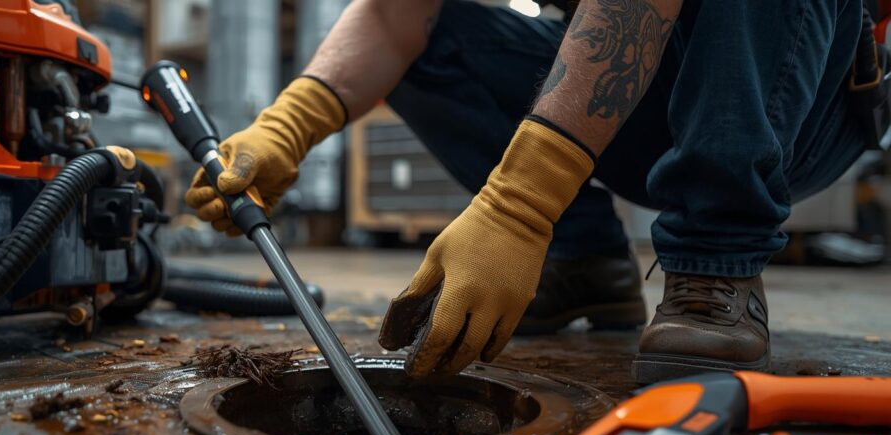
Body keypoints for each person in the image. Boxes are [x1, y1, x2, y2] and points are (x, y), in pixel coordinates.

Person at [186, 0, 880, 384]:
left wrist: (518, 204)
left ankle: (715, 260)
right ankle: (582, 263)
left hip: (797, 93)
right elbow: (395, 17)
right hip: (651, 94)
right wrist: (288, 125)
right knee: (441, 36)